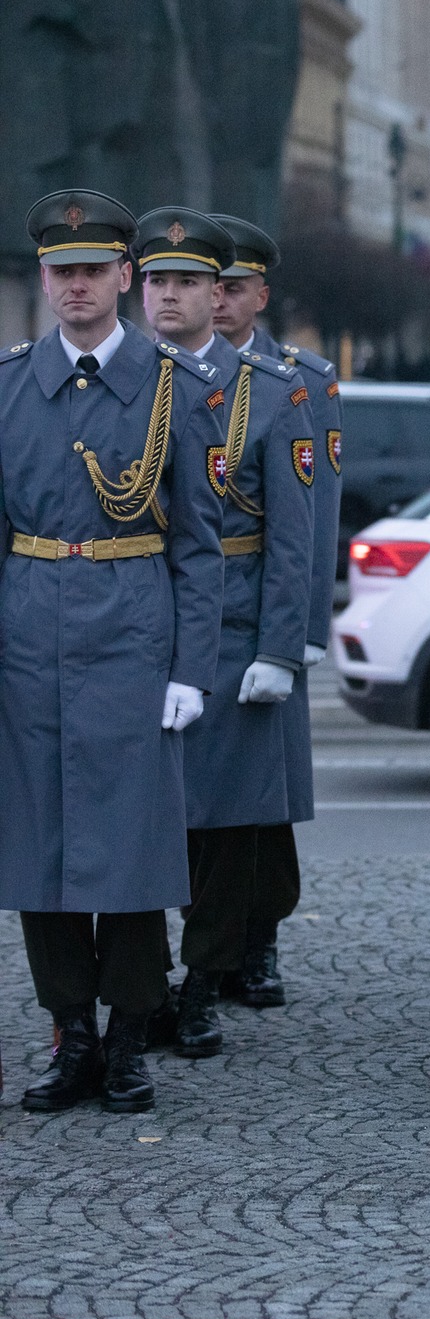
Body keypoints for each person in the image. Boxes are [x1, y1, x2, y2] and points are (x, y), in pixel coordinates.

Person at [0, 190, 225, 1112]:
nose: (77, 287)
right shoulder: (10, 385)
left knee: (130, 849)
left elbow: (200, 545)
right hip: (31, 632)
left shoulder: (177, 387)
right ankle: (72, 1038)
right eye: (63, 272)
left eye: (94, 270)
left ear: (124, 277)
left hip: (134, 630)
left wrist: (189, 669)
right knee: (39, 850)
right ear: (44, 278)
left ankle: (131, 1037)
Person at [134, 208, 314, 1057]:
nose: (170, 296)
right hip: (140, 620)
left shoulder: (272, 394)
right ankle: (135, 982)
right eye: (157, 280)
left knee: (229, 824)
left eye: (188, 282)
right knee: (148, 813)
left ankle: (202, 983)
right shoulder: (126, 380)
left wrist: (283, 646)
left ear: (221, 294)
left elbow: (292, 532)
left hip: (238, 621)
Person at [210, 212, 344, 1010]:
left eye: (233, 287)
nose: (220, 302)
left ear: (259, 293)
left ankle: (258, 941)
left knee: (264, 794)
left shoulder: (302, 378)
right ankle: (205, 941)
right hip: (199, 613)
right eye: (208, 286)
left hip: (268, 603)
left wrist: (305, 628)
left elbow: (316, 509)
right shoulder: (165, 374)